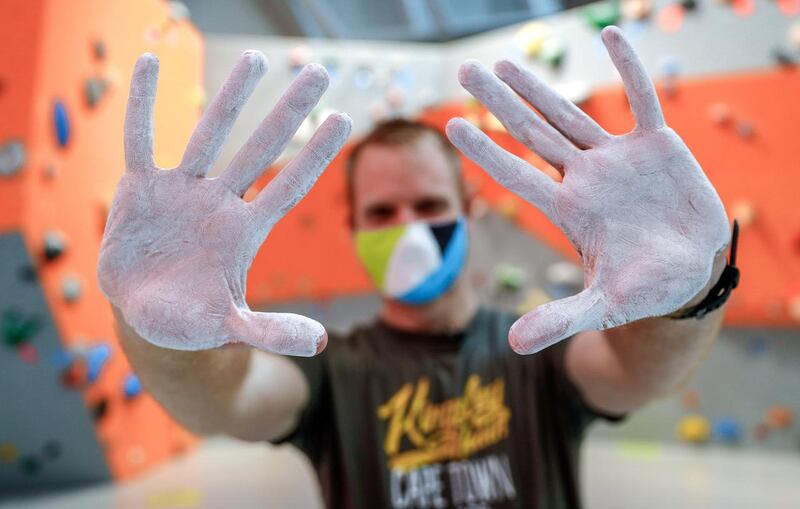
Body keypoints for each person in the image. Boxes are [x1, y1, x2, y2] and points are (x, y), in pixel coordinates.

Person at [99, 27, 736, 509]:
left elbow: (635, 374)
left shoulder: (537, 347)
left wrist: (692, 292)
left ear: (468, 209)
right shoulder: (332, 369)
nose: (407, 226)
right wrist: (155, 324)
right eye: (383, 211)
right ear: (353, 230)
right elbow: (224, 400)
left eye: (429, 204)